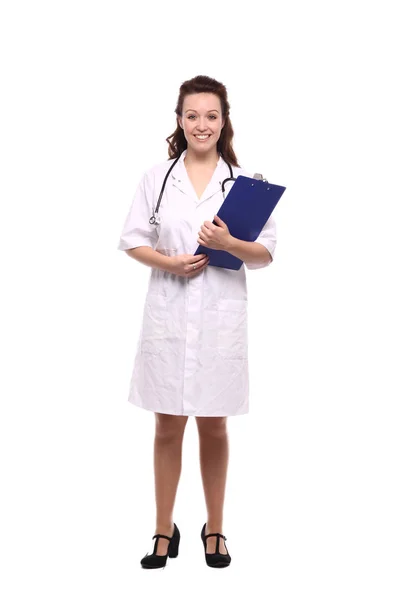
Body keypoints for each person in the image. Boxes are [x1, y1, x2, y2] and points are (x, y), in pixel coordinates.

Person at [117, 75, 277, 569]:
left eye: (211, 116)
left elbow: (265, 254)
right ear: (180, 120)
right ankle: (164, 531)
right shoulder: (158, 177)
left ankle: (216, 530)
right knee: (167, 427)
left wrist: (229, 244)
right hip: (168, 316)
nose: (201, 125)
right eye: (192, 115)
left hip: (219, 323)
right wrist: (170, 263)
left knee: (214, 427)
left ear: (223, 121)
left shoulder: (247, 184)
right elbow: (132, 238)